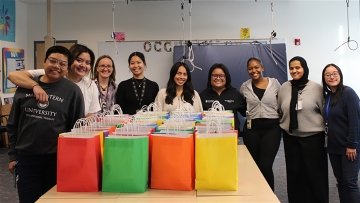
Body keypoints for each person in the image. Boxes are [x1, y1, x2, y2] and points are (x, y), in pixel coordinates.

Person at [7, 45, 85, 203]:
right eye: (53, 61)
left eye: (62, 64)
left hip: (56, 160)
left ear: (67, 68)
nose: (57, 66)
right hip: (26, 159)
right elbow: (13, 123)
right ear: (44, 62)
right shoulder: (25, 87)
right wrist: (13, 156)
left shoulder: (73, 91)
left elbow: (76, 129)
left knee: (53, 201)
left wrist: (72, 161)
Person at [278, 56, 328, 203]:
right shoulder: (284, 87)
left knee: (314, 174)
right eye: (291, 68)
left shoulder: (316, 88)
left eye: (297, 67)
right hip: (290, 138)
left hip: (313, 138)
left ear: (304, 68)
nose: (294, 71)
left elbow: (325, 111)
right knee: (294, 174)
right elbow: (280, 108)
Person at [7, 44, 101, 117]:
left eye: (88, 63)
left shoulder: (90, 84)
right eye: (79, 60)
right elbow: (13, 75)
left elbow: (91, 113)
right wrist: (35, 86)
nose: (83, 65)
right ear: (69, 61)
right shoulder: (53, 74)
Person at [239, 57, 281, 191]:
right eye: (250, 68)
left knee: (266, 165)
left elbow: (282, 103)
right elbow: (242, 106)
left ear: (262, 68)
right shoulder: (244, 87)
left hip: (272, 129)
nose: (254, 70)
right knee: (254, 165)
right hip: (252, 130)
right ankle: (256, 195)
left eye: (256, 67)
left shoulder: (274, 84)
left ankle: (269, 196)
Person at [322, 63, 360, 203]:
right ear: (324, 78)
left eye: (335, 73)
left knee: (350, 183)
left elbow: (355, 121)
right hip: (333, 147)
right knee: (341, 182)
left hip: (348, 147)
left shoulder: (348, 93)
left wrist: (352, 144)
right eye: (328, 74)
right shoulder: (328, 96)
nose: (331, 77)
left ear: (340, 75)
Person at [200, 63, 245, 135]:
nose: (218, 78)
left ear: (226, 77)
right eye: (214, 75)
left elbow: (246, 113)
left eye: (221, 76)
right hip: (209, 138)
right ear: (210, 77)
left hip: (232, 138)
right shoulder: (202, 95)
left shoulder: (235, 94)